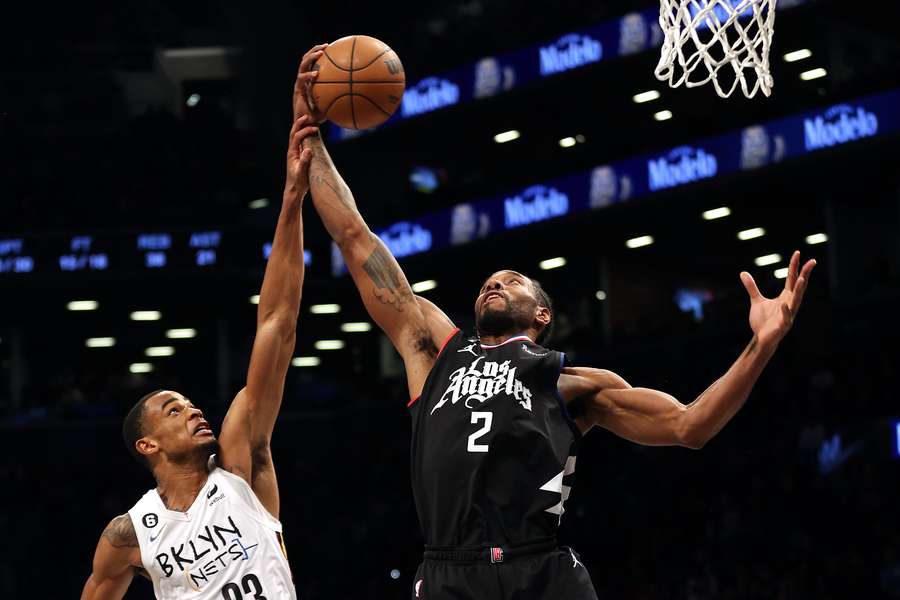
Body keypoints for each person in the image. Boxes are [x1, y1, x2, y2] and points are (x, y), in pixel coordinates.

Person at [295, 44, 816, 600]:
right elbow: (355, 236)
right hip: (449, 571)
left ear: (543, 313)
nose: (494, 283)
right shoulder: (433, 350)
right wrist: (308, 130)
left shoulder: (574, 384)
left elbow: (690, 427)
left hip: (539, 571)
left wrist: (761, 346)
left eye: (513, 279)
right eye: (487, 282)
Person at [80, 106, 320, 600]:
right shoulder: (127, 535)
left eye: (190, 403)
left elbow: (277, 322)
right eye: (174, 409)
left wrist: (293, 200)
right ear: (148, 445)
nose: (193, 411)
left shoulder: (239, 467)